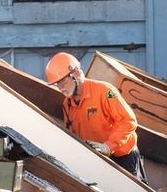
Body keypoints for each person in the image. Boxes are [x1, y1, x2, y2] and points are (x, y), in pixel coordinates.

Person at [45, 52, 145, 181]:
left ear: (76, 74)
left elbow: (128, 121)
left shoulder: (105, 91)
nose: (60, 87)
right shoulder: (67, 105)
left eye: (62, 81)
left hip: (123, 158)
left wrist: (108, 146)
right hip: (97, 160)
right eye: (56, 84)